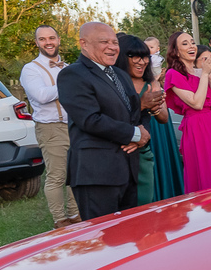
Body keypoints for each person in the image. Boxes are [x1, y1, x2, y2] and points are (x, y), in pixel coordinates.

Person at [57, 22, 147, 220]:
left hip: (127, 170)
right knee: (103, 239)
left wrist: (141, 134)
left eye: (115, 42)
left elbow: (136, 113)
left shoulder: (120, 74)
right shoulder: (72, 74)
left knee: (129, 235)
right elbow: (90, 120)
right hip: (96, 174)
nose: (112, 47)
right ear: (84, 44)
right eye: (104, 42)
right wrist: (134, 134)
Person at [19, 25, 80, 228]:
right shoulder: (31, 69)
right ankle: (59, 220)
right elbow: (42, 96)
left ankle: (75, 214)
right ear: (37, 43)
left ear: (59, 40)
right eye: (43, 39)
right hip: (50, 127)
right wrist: (70, 84)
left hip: (73, 125)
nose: (48, 42)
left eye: (52, 38)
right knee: (57, 176)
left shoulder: (68, 67)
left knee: (75, 172)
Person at [163, 31, 211, 192]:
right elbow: (197, 104)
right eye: (185, 43)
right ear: (176, 51)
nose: (191, 46)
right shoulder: (173, 74)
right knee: (205, 173)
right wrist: (205, 74)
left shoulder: (200, 73)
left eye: (192, 42)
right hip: (197, 128)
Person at [116, 34, 182, 205]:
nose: (142, 61)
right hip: (118, 151)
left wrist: (155, 106)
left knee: (145, 202)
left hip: (144, 148)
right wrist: (142, 104)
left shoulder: (151, 83)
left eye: (145, 56)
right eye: (135, 56)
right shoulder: (113, 83)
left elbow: (164, 118)